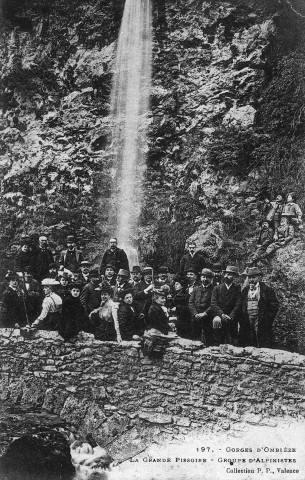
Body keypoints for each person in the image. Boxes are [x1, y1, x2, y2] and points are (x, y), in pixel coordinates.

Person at [239, 267, 279, 348]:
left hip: (260, 318)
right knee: (248, 337)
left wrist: (266, 318)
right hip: (248, 317)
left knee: (261, 338)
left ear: (260, 277)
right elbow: (240, 305)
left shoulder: (267, 290)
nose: (251, 280)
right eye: (249, 277)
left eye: (253, 277)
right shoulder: (245, 291)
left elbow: (274, 306)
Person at [210, 266, 241, 346]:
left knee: (232, 341)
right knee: (218, 340)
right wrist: (221, 314)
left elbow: (238, 304)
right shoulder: (217, 288)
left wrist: (231, 316)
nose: (226, 276)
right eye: (226, 274)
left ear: (234, 276)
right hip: (219, 317)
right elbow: (213, 303)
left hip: (231, 318)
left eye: (229, 274)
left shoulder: (237, 289)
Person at [189, 268, 214, 343]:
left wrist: (204, 313)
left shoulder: (214, 289)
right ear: (200, 277)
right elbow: (191, 302)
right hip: (196, 318)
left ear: (211, 279)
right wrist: (195, 313)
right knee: (194, 338)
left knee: (209, 339)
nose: (205, 279)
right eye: (203, 277)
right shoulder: (196, 289)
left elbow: (214, 304)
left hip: (208, 318)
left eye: (207, 277)